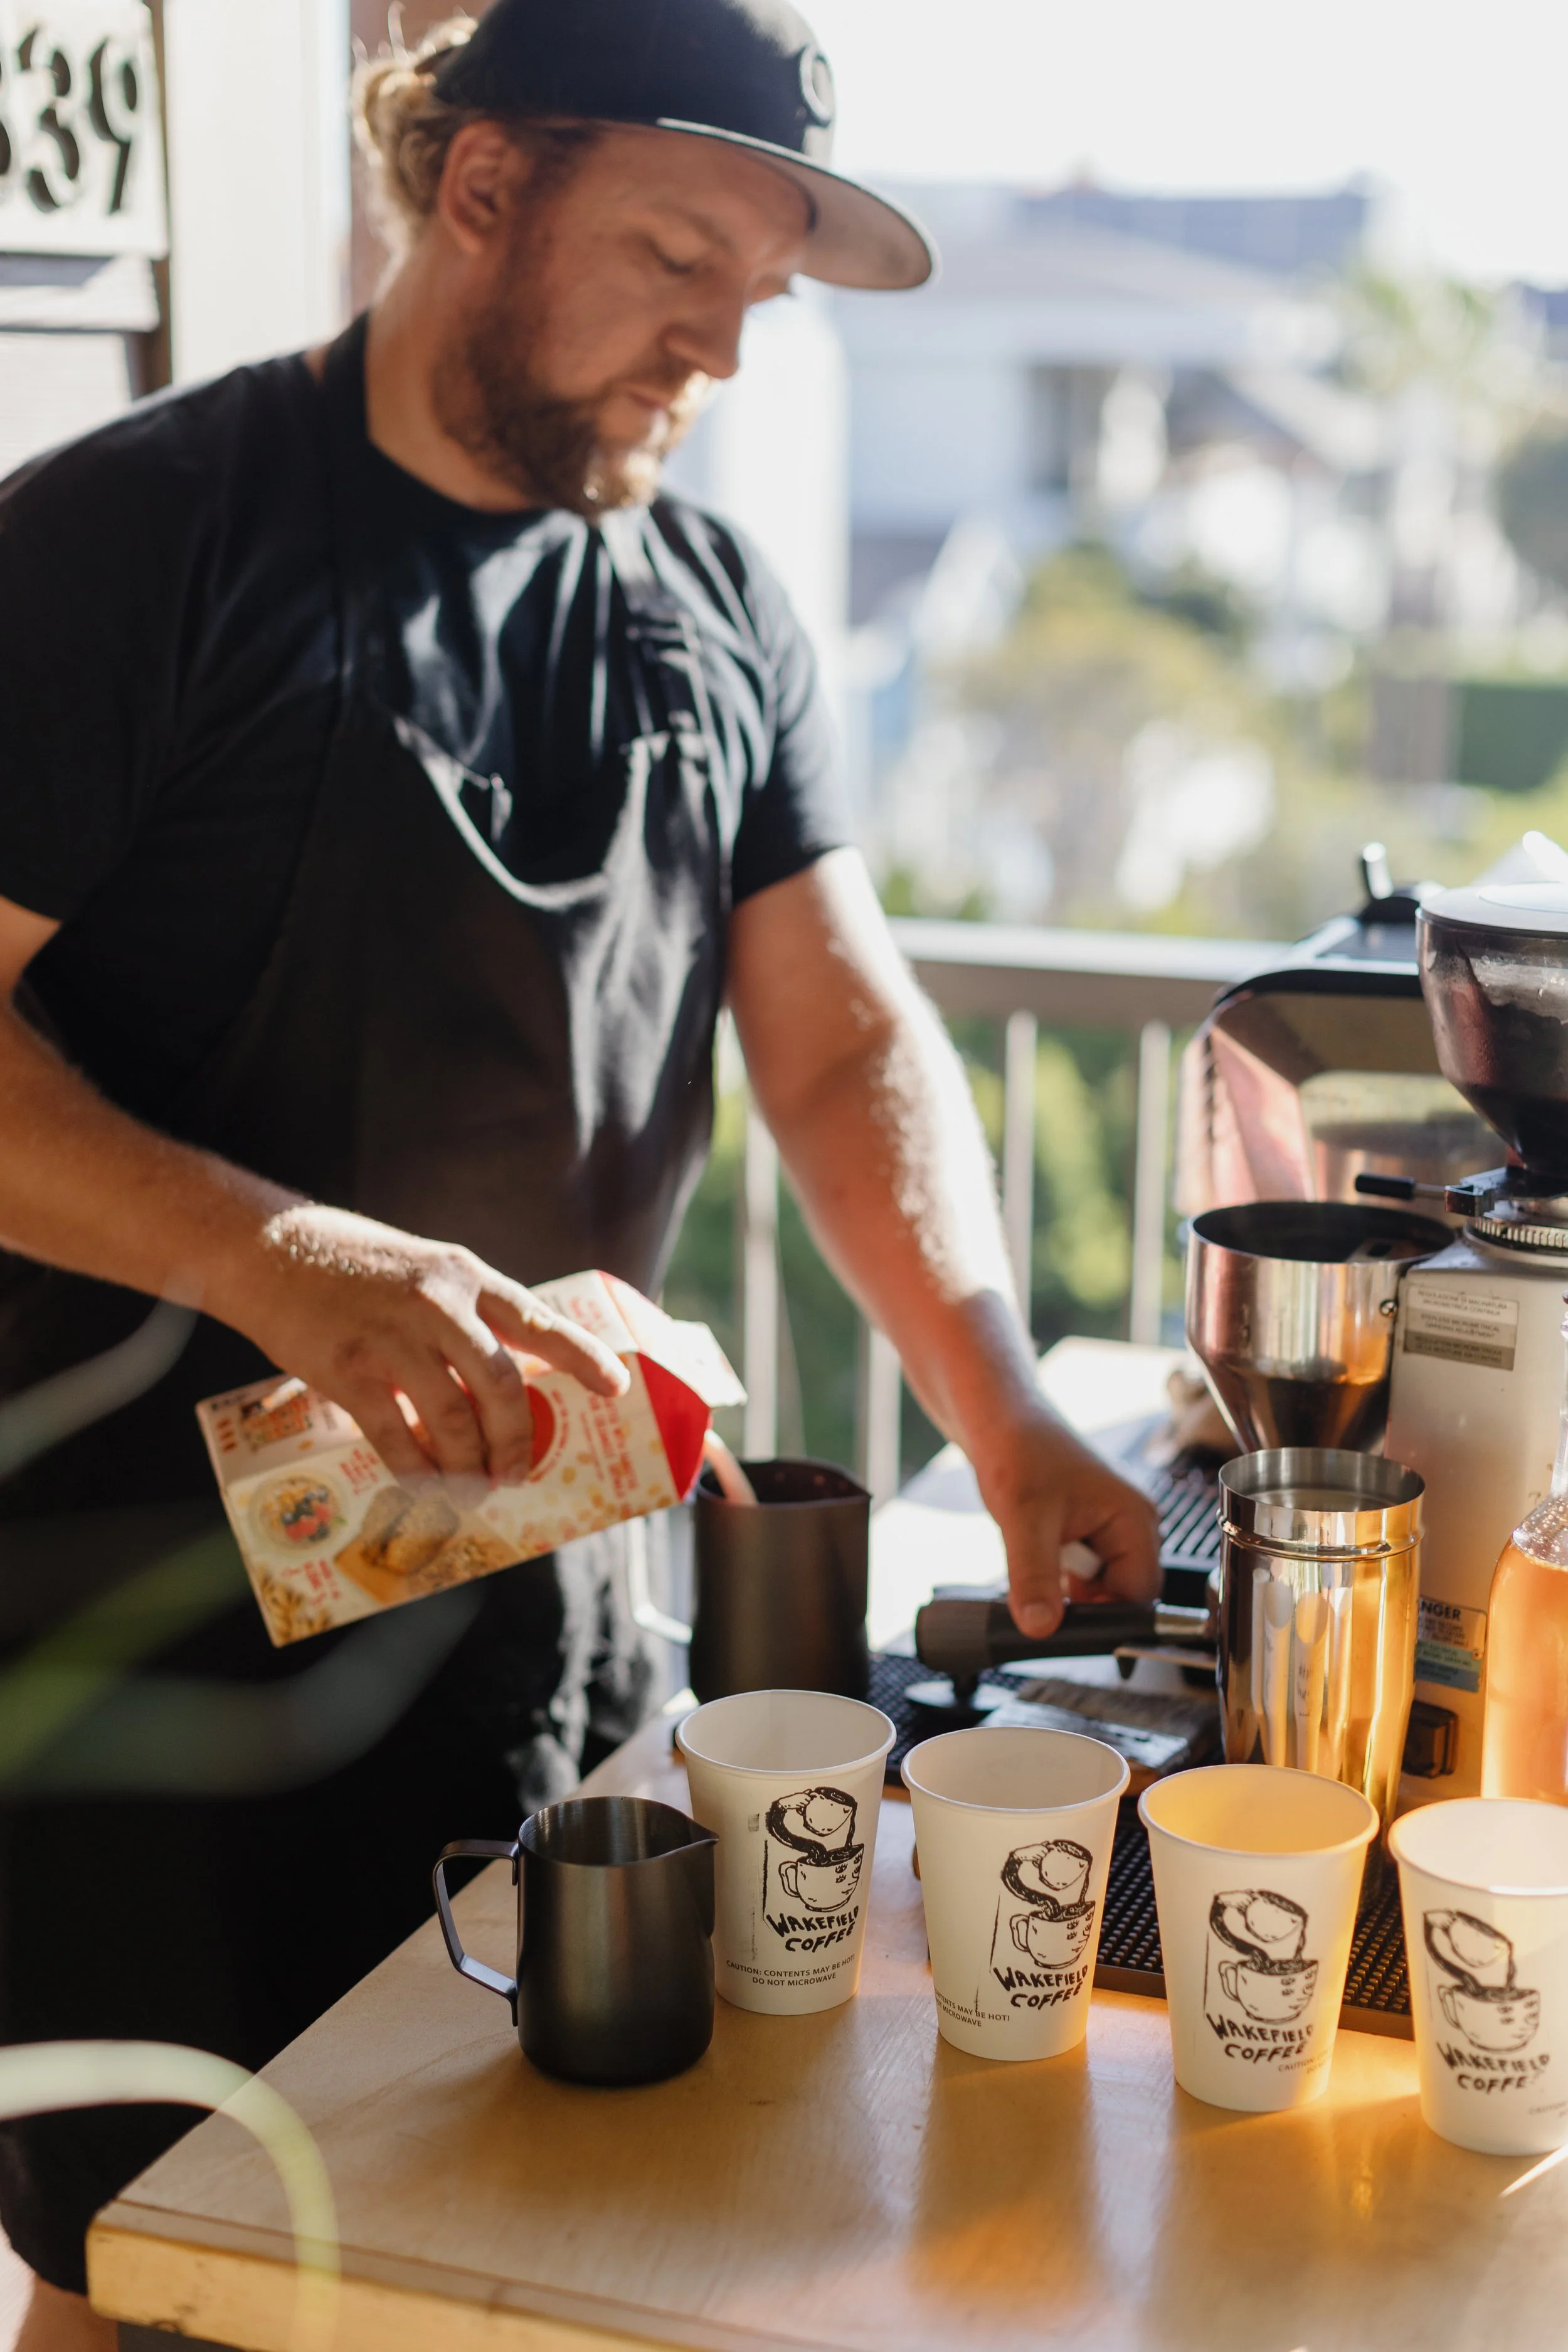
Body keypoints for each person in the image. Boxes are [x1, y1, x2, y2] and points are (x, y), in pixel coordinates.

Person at [0, 1, 1158, 2340]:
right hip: (139, 1663)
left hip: (538, 1633)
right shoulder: (129, 547)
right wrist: (281, 1252)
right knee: (161, 2270)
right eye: (672, 259)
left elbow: (839, 1046)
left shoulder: (709, 604)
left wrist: (1009, 1403)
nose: (718, 345)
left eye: (757, 292)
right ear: (482, 184)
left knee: (499, 2262)